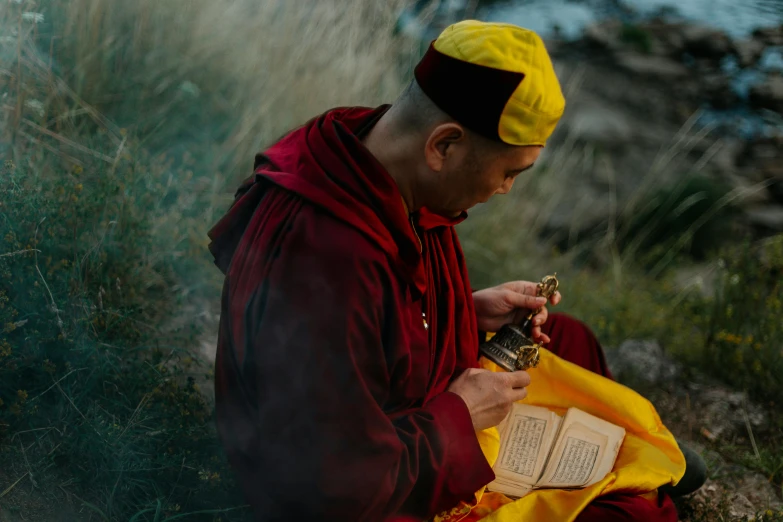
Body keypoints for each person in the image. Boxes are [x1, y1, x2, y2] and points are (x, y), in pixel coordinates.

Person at [207, 20, 697, 521]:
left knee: (571, 340)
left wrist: (464, 309)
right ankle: (633, 468)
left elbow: (388, 310)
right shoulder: (326, 259)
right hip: (343, 490)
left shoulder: (369, 146)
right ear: (443, 145)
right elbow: (334, 481)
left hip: (395, 412)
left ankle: (630, 457)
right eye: (508, 172)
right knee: (631, 517)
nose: (505, 189)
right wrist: (459, 416)